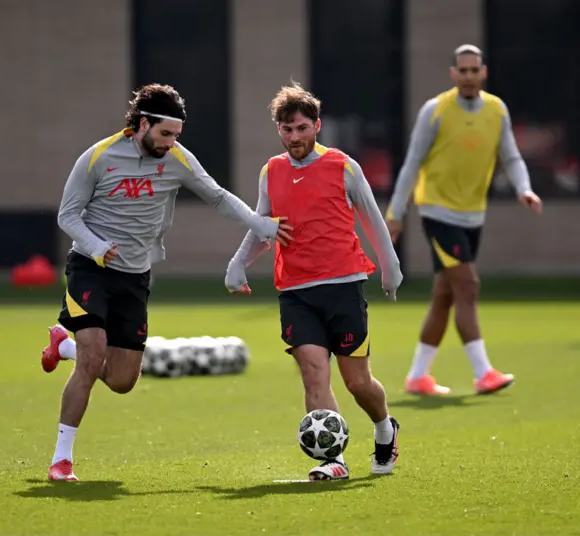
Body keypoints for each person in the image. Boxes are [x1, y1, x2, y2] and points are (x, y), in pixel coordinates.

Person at [41, 83, 293, 481]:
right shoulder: (97, 158)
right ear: (143, 124)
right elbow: (67, 215)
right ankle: (62, 459)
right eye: (165, 134)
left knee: (123, 381)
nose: (171, 142)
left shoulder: (177, 158)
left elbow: (218, 196)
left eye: (176, 135)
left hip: (136, 274)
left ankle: (64, 345)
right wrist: (94, 246)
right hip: (90, 268)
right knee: (93, 358)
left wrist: (261, 224)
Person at [224, 83, 404, 481]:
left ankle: (384, 428)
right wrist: (238, 265)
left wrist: (390, 267)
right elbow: (261, 225)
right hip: (295, 290)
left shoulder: (343, 166)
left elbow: (373, 220)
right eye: (287, 130)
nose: (294, 137)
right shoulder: (270, 171)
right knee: (312, 371)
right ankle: (333, 459)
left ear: (317, 126)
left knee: (357, 382)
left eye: (302, 128)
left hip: (344, 285)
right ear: (279, 131)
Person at [385, 45, 543, 397]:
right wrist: (395, 214)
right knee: (468, 286)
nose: (470, 76)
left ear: (483, 72)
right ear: (453, 74)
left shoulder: (496, 110)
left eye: (475, 70)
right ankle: (483, 372)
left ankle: (417, 376)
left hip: (474, 215)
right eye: (463, 70)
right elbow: (411, 165)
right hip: (438, 212)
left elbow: (512, 156)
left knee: (445, 294)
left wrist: (524, 189)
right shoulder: (435, 111)